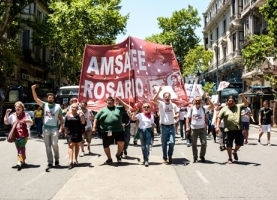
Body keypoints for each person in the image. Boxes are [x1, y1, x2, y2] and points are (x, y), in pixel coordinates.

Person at [31, 84, 63, 168]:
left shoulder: (57, 106)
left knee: (54, 144)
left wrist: (61, 128)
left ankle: (56, 158)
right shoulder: (44, 105)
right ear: (47, 98)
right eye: (49, 98)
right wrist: (33, 89)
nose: (50, 99)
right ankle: (50, 161)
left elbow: (61, 118)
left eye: (52, 98)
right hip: (45, 128)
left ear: (54, 99)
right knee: (47, 146)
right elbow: (35, 99)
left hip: (54, 128)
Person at [92, 97, 131, 164]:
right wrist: (94, 126)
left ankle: (118, 155)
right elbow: (96, 118)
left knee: (121, 143)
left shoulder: (119, 108)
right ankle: (109, 158)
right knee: (106, 145)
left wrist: (121, 101)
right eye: (108, 100)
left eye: (111, 100)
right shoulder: (102, 110)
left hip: (118, 129)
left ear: (113, 101)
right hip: (106, 130)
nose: (109, 101)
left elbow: (128, 107)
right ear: (106, 102)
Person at [216, 94, 249, 164]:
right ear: (227, 102)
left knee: (240, 143)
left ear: (235, 102)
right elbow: (219, 118)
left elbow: (246, 104)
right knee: (229, 144)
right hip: (228, 130)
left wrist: (243, 97)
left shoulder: (238, 107)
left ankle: (235, 151)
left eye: (232, 101)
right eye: (229, 101)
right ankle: (230, 157)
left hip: (238, 129)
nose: (231, 102)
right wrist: (217, 126)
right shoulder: (224, 109)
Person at [153, 86, 179, 164]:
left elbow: (177, 113)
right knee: (164, 143)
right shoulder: (161, 104)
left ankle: (170, 155)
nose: (167, 98)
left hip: (171, 126)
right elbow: (154, 100)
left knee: (172, 142)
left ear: (170, 97)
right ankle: (165, 157)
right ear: (163, 97)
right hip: (163, 126)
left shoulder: (173, 105)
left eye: (168, 96)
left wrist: (176, 116)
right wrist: (158, 92)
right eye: (166, 97)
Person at [4, 101, 33, 169]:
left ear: (22, 108)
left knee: (21, 147)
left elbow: (31, 123)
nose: (17, 108)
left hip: (24, 135)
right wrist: (7, 113)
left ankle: (19, 161)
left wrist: (27, 121)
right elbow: (6, 122)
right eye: (16, 107)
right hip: (15, 135)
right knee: (19, 148)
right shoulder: (13, 115)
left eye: (19, 107)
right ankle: (23, 159)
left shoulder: (26, 115)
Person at [186, 94, 214, 163]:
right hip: (193, 129)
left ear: (201, 101)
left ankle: (202, 156)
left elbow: (213, 106)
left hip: (202, 129)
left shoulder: (204, 108)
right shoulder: (191, 109)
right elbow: (188, 118)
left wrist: (208, 98)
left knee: (204, 143)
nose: (197, 102)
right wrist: (187, 127)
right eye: (196, 101)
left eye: (199, 100)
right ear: (194, 101)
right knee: (194, 144)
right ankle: (195, 157)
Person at [64, 103, 86, 169]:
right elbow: (65, 125)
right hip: (70, 133)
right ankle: (70, 160)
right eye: (73, 107)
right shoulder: (68, 115)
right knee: (70, 145)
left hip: (78, 133)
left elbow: (83, 123)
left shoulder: (80, 115)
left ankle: (75, 159)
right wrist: (65, 132)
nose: (74, 108)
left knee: (77, 146)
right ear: (71, 107)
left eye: (76, 107)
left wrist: (82, 115)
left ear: (77, 108)